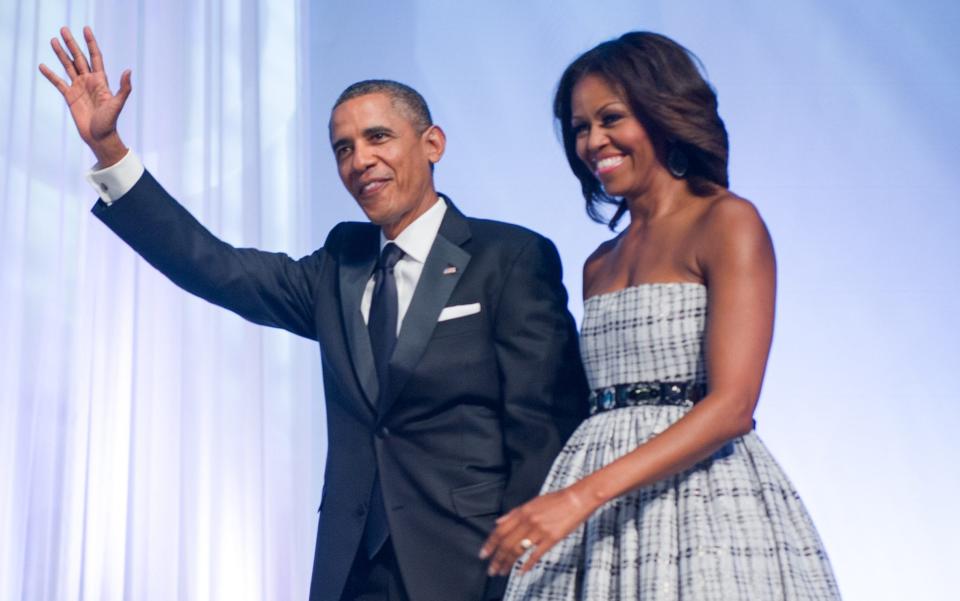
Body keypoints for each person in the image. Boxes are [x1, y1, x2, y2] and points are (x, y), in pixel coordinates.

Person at [40, 26, 588, 601]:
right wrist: (111, 154)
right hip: (351, 573)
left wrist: (530, 568)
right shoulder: (339, 265)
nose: (360, 160)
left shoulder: (510, 258)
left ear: (432, 144)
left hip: (473, 568)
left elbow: (543, 428)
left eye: (379, 137)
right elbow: (216, 266)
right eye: (343, 148)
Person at [480, 32, 841, 600]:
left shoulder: (726, 222)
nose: (593, 140)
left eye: (611, 118)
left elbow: (732, 408)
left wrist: (578, 498)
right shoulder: (598, 262)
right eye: (580, 127)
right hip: (596, 528)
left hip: (702, 506)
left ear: (662, 115)